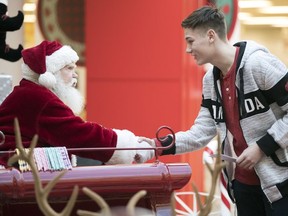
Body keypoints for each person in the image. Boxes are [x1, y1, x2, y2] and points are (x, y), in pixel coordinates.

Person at [136, 5, 288, 216]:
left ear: (210, 36)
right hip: (244, 186)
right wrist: (157, 146)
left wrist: (261, 148)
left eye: (190, 41)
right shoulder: (210, 80)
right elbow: (201, 132)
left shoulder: (258, 64)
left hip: (281, 183)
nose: (188, 50)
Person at [0, 40, 151, 167]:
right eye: (69, 68)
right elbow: (80, 134)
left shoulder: (30, 92)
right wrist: (130, 146)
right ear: (50, 74)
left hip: (18, 168)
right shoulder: (39, 98)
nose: (75, 75)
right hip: (16, 173)